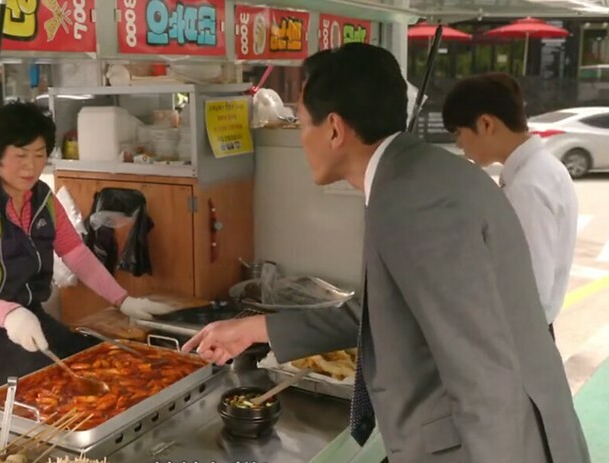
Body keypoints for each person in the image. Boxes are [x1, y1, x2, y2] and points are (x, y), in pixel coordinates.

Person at [182, 44, 589, 463]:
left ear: (335, 129)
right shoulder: (417, 176)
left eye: (301, 124)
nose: (300, 139)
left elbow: (483, 376)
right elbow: (378, 309)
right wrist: (255, 328)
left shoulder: (416, 203)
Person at [0, 102, 174, 390]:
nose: (31, 166)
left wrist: (123, 300)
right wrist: (10, 315)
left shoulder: (41, 199)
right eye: (20, 155)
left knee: (89, 355)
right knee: (48, 374)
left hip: (27, 315)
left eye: (39, 155)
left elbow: (76, 254)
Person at [442, 73, 578, 341]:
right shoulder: (541, 170)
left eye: (458, 133)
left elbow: (530, 291)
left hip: (519, 337)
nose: (458, 144)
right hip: (527, 332)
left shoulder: (527, 187)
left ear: (485, 124)